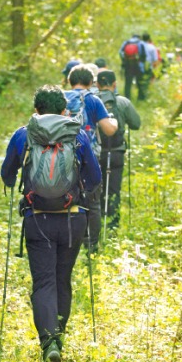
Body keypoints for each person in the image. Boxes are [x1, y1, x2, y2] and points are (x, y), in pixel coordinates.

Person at [0, 85, 101, 362]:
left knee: (43, 282)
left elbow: (7, 175)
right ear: (64, 110)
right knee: (62, 279)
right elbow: (94, 177)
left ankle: (49, 345)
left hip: (38, 219)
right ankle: (59, 335)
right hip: (72, 219)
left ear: (36, 110)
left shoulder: (24, 134)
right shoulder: (77, 134)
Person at [65, 64, 118, 251]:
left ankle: (70, 242)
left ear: (69, 81)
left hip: (63, 155)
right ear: (91, 82)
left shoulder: (60, 99)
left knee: (67, 198)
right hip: (89, 156)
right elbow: (109, 129)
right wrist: (114, 120)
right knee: (93, 201)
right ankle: (91, 245)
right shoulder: (93, 100)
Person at [97, 70, 141, 230]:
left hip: (95, 153)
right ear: (114, 84)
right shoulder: (122, 102)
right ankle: (112, 226)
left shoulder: (91, 101)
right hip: (116, 152)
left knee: (95, 188)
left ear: (97, 85)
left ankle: (94, 225)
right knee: (114, 189)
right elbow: (136, 124)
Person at [119, 34, 146, 100]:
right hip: (137, 65)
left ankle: (127, 98)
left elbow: (120, 52)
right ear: (139, 37)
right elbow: (143, 55)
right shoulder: (140, 43)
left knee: (128, 82)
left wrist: (124, 59)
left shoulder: (126, 42)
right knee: (139, 82)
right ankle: (140, 98)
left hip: (128, 64)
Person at [140, 32, 159, 97]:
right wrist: (155, 68)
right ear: (149, 39)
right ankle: (144, 96)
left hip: (139, 66)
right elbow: (155, 59)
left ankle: (140, 95)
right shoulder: (152, 47)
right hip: (148, 66)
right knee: (147, 82)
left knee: (140, 80)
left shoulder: (139, 45)